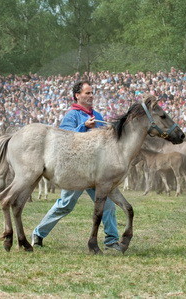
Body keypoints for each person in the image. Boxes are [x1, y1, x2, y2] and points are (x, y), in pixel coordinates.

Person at [31, 80, 121, 251]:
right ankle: (38, 233)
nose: (91, 96)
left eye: (92, 93)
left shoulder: (99, 116)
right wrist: (84, 127)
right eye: (87, 93)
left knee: (108, 204)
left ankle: (111, 240)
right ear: (77, 95)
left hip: (96, 171)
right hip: (77, 170)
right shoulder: (71, 115)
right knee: (65, 205)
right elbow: (65, 141)